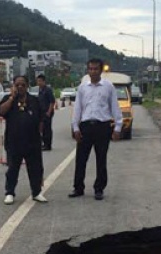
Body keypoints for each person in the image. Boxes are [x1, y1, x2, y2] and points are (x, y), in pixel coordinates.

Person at [69, 58, 122, 200]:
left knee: (101, 159)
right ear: (88, 70)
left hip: (102, 126)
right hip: (85, 126)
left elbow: (114, 106)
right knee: (80, 159)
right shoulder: (82, 87)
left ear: (100, 70)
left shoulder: (108, 87)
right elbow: (78, 108)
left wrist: (118, 126)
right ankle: (78, 188)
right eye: (90, 69)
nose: (93, 71)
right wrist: (75, 127)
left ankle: (99, 189)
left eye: (95, 69)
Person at [0, 75, 47, 204]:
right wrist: (12, 98)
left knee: (35, 169)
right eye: (17, 84)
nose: (20, 87)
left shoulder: (34, 100)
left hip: (32, 141)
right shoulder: (8, 99)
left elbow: (41, 119)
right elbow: (1, 112)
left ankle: (36, 192)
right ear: (14, 86)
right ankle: (9, 192)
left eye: (23, 84)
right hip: (14, 141)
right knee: (13, 168)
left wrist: (40, 136)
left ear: (27, 86)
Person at [36, 74, 56, 151]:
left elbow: (52, 102)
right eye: (38, 81)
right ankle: (44, 144)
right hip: (42, 113)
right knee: (43, 129)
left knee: (47, 129)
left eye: (40, 81)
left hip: (47, 112)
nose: (39, 83)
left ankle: (48, 145)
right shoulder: (40, 90)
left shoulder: (47, 90)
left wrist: (49, 112)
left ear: (44, 81)